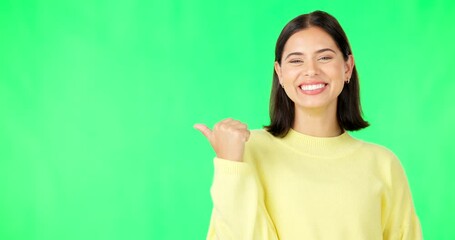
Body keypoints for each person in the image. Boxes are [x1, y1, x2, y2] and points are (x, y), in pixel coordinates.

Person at [194, 10, 422, 240]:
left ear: (347, 67)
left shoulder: (383, 164)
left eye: (324, 57)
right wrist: (230, 165)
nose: (311, 70)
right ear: (280, 73)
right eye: (296, 60)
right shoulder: (246, 150)